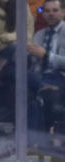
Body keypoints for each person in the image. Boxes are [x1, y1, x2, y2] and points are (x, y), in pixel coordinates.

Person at [27, 0, 65, 131]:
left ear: (63, 12)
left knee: (36, 98)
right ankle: (32, 145)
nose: (51, 14)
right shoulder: (39, 34)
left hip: (59, 76)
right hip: (38, 76)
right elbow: (32, 60)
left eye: (55, 10)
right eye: (47, 11)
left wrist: (46, 56)